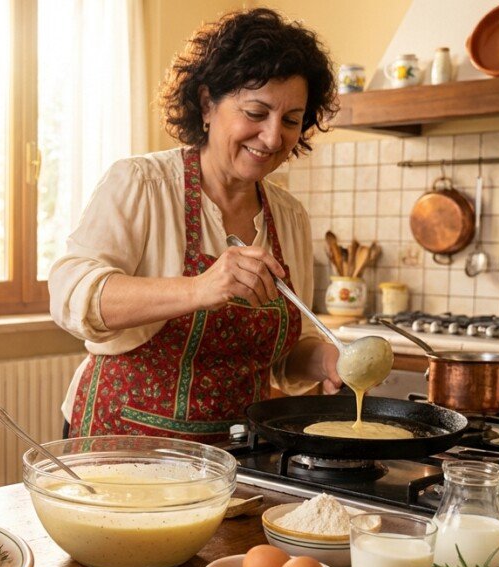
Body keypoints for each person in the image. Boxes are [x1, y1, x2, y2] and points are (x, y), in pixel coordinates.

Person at [49, 7, 342, 441]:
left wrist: (324, 361)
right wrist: (199, 288)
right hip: (124, 442)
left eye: (292, 120)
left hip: (235, 454)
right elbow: (71, 295)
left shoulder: (290, 217)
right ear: (208, 104)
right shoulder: (142, 183)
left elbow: (282, 358)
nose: (273, 137)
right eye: (256, 113)